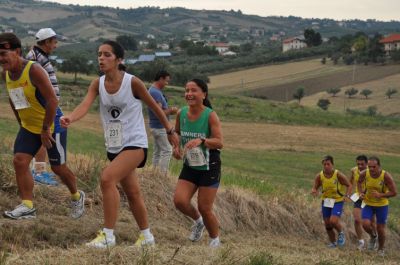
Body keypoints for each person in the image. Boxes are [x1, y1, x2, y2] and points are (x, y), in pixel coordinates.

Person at [60, 40, 179, 248]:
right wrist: (71, 117)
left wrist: (169, 130)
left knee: (106, 178)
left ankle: (108, 236)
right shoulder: (97, 84)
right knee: (133, 193)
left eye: (107, 55)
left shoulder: (132, 83)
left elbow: (155, 108)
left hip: (135, 144)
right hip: (114, 146)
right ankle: (147, 237)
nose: (101, 58)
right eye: (99, 54)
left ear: (119, 59)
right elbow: (85, 104)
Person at [0, 33, 85, 220]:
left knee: (58, 168)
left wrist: (46, 129)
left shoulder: (34, 70)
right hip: (29, 126)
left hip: (52, 124)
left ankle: (76, 197)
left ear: (16, 51)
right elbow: (14, 99)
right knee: (20, 161)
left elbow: (52, 101)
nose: (1, 59)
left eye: (4, 53)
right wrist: (21, 123)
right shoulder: (6, 73)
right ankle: (27, 206)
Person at [172, 79, 223, 248]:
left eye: (194, 90)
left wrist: (201, 140)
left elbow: (219, 142)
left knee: (205, 207)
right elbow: (177, 134)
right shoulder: (181, 113)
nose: (189, 94)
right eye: (187, 90)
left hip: (209, 166)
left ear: (203, 94)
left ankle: (215, 241)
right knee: (179, 201)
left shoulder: (210, 115)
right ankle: (198, 222)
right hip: (190, 165)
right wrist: (176, 147)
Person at [26, 28, 61, 185]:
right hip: (43, 103)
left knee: (45, 136)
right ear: (46, 42)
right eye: (54, 42)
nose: (55, 45)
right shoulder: (34, 57)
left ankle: (39, 170)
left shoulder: (39, 55)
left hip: (47, 103)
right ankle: (39, 173)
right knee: (43, 137)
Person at [358, 156, 397, 256]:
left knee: (380, 228)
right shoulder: (364, 173)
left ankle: (380, 249)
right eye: (369, 166)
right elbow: (359, 182)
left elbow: (394, 192)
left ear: (379, 166)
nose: (371, 169)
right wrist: (361, 193)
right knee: (365, 224)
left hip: (381, 205)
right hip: (368, 203)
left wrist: (381, 195)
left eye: (374, 167)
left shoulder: (385, 176)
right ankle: (373, 236)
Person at [311, 155, 351, 248]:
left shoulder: (338, 174)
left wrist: (347, 195)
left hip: (337, 200)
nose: (326, 166)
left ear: (332, 164)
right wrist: (314, 190)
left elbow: (349, 185)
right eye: (324, 164)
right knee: (327, 224)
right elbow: (315, 187)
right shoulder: (320, 176)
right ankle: (333, 243)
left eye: (328, 164)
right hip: (326, 201)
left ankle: (341, 233)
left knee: (333, 221)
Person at [147, 70, 178, 173]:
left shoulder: (154, 91)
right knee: (167, 150)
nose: (167, 84)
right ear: (161, 79)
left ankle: (154, 172)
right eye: (166, 81)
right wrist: (171, 111)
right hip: (159, 127)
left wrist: (168, 110)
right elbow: (158, 112)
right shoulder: (155, 92)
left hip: (156, 126)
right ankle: (162, 175)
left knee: (158, 151)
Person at [349, 155, 376, 250]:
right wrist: (348, 194)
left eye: (362, 164)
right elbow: (351, 181)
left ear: (367, 163)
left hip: (370, 199)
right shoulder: (354, 170)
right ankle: (361, 241)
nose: (360, 166)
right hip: (359, 197)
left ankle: (373, 237)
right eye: (358, 164)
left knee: (371, 223)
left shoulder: (372, 172)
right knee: (357, 220)